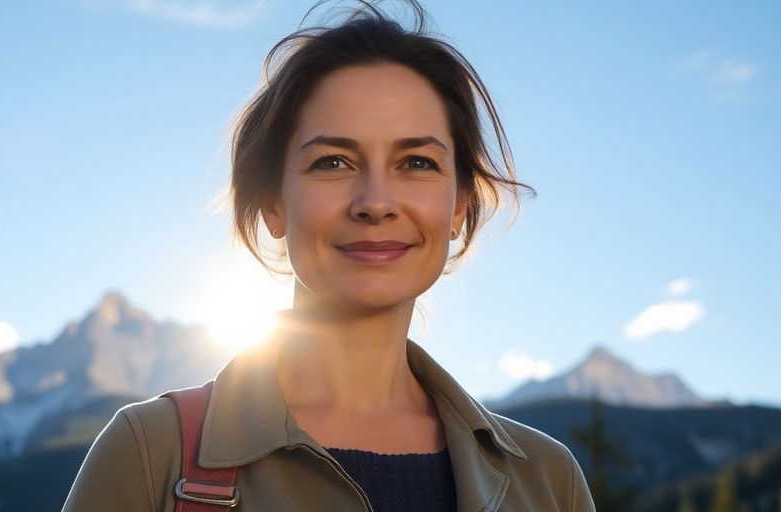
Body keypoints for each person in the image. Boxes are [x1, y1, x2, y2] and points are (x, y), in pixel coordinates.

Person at [64, 1, 596, 510]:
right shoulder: (150, 455)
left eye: (416, 162)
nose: (376, 203)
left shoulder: (549, 482)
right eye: (334, 162)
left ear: (459, 204)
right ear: (273, 203)